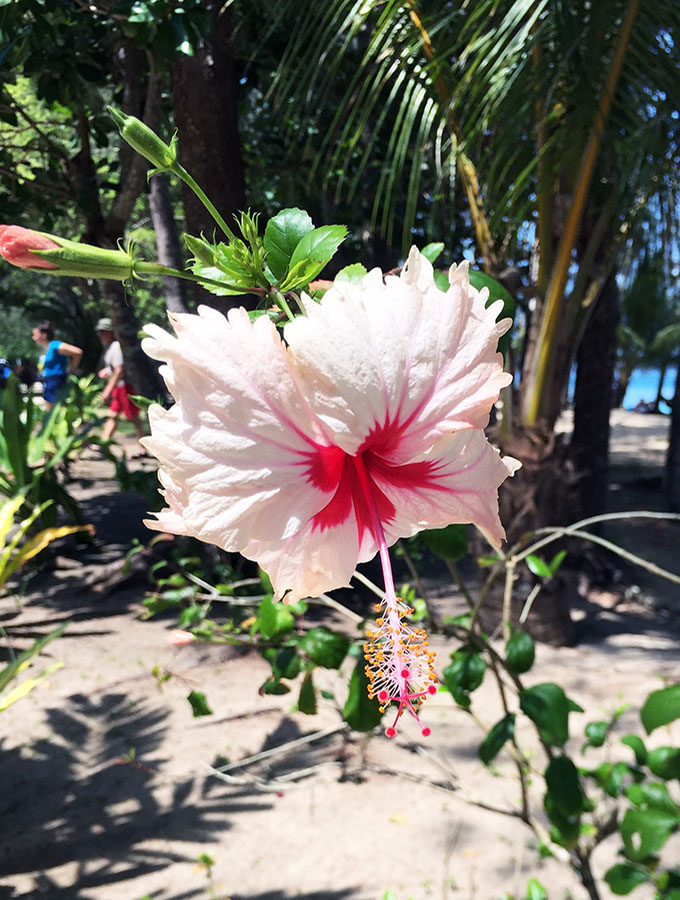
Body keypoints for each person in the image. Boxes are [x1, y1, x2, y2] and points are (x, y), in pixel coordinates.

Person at [96, 317, 145, 444]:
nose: (101, 335)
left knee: (134, 418)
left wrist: (107, 390)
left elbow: (119, 371)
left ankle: (144, 446)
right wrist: (107, 372)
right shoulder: (109, 348)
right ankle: (103, 443)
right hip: (118, 388)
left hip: (124, 388)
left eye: (104, 332)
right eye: (99, 332)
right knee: (112, 415)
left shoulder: (115, 347)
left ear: (111, 332)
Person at [32, 321, 82, 411]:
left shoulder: (55, 345)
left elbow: (78, 352)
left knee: (53, 412)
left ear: (44, 335)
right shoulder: (48, 348)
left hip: (56, 382)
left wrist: (70, 371)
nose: (34, 338)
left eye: (35, 335)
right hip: (50, 382)